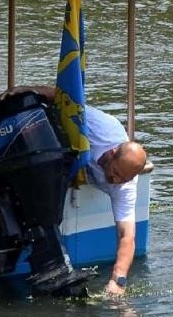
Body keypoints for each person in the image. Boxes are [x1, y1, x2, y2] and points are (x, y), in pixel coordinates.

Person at [11, 85, 148, 297]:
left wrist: (118, 281)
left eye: (124, 179)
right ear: (111, 154)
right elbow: (63, 97)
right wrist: (25, 90)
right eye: (115, 173)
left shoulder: (125, 185)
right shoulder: (99, 127)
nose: (116, 181)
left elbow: (126, 236)